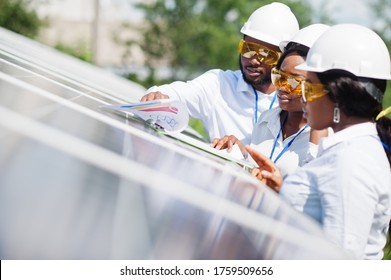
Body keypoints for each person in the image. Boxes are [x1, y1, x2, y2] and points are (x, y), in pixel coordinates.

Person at [246, 24, 391, 259]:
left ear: (337, 95)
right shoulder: (349, 150)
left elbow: (340, 261)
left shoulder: (351, 161)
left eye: (309, 87)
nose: (303, 97)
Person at [140, 2, 299, 145]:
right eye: (248, 49)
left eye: (266, 54)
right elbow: (173, 94)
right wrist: (157, 96)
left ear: (283, 58)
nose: (254, 61)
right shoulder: (219, 84)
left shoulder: (293, 101)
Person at [211, 24, 330, 178]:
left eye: (294, 82)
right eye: (280, 77)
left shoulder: (328, 137)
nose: (282, 87)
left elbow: (312, 188)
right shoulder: (267, 120)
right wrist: (241, 156)